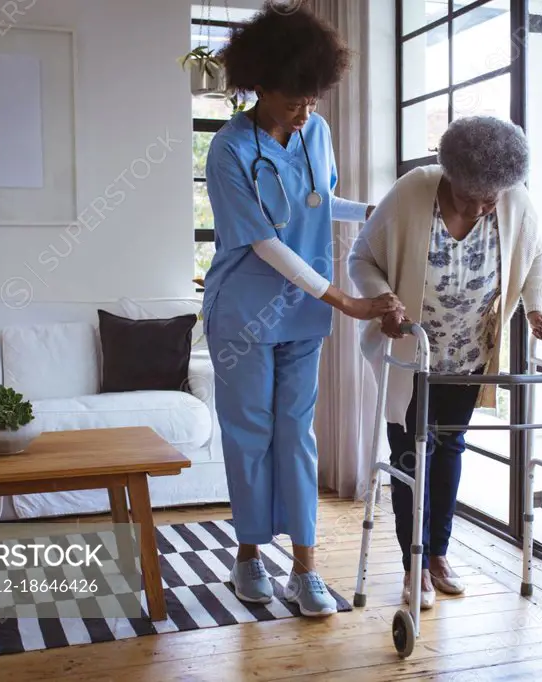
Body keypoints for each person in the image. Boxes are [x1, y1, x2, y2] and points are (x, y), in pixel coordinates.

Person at [203, 2, 402, 617]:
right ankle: (248, 554)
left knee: (297, 433)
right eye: (294, 98)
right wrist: (345, 298)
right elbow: (265, 240)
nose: (307, 109)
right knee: (251, 432)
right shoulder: (229, 150)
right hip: (244, 309)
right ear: (258, 84)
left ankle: (307, 567)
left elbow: (318, 198)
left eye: (313, 97)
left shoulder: (315, 130)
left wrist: (374, 210)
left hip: (303, 314)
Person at [348, 116, 542, 609]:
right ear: (449, 176)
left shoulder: (512, 200)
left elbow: (537, 256)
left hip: (469, 357)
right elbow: (361, 258)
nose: (485, 206)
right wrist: (384, 301)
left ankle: (438, 553)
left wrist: (535, 309)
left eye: (493, 198)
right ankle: (412, 563)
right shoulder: (412, 193)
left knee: (449, 449)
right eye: (473, 197)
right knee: (410, 454)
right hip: (412, 353)